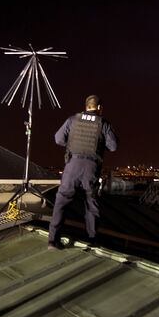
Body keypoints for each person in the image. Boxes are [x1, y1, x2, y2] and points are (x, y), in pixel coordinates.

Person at [48, 95, 117, 249]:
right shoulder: (103, 123)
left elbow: (58, 139)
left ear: (86, 106)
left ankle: (53, 240)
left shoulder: (72, 120)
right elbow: (113, 146)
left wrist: (72, 144)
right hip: (91, 168)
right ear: (99, 108)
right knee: (91, 203)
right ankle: (92, 240)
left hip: (72, 166)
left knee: (61, 201)